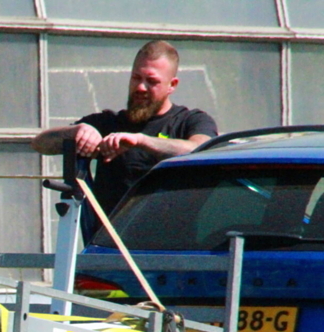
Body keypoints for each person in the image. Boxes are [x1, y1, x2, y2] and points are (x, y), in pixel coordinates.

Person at [31, 40, 218, 224]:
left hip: (172, 247)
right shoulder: (108, 124)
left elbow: (200, 149)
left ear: (172, 85)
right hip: (110, 247)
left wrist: (140, 141)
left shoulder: (191, 121)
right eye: (136, 78)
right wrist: (77, 132)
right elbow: (41, 143)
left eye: (151, 81)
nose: (140, 88)